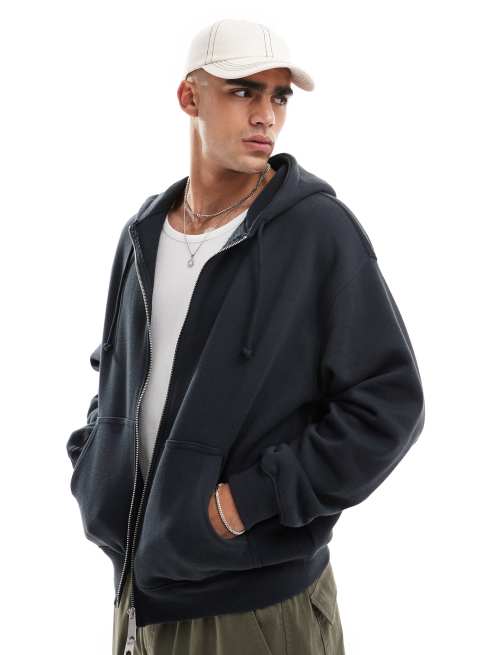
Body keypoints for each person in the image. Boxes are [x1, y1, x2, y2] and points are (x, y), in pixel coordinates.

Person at [66, 18, 425, 655]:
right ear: (190, 96)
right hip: (139, 590)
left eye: (278, 96)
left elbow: (389, 403)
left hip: (254, 604)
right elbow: (119, 371)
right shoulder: (143, 235)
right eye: (243, 91)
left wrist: (246, 503)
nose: (266, 115)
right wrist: (98, 464)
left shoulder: (317, 232)